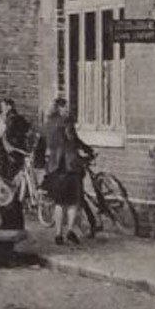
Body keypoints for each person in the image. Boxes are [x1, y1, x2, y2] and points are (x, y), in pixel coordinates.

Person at [38, 98, 91, 246]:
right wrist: (87, 149)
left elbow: (41, 145)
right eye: (66, 107)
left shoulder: (47, 124)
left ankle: (58, 234)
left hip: (54, 167)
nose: (68, 110)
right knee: (74, 202)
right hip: (70, 167)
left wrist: (43, 163)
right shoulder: (66, 123)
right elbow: (73, 140)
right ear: (60, 109)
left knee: (59, 202)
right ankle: (69, 232)